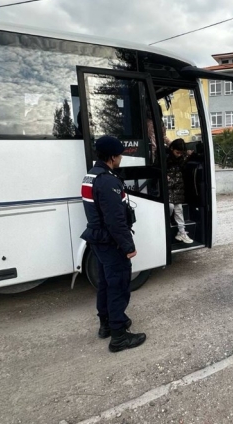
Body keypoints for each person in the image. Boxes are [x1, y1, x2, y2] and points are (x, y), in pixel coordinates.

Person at [80, 135, 146, 353]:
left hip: (98, 240)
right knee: (118, 286)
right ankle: (118, 337)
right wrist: (128, 246)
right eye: (119, 155)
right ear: (111, 157)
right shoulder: (108, 181)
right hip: (111, 242)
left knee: (106, 285)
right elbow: (115, 220)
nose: (121, 158)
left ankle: (106, 324)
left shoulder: (91, 175)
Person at [166, 138, 193, 244]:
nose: (179, 155)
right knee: (170, 207)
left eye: (181, 153)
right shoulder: (164, 157)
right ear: (172, 149)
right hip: (168, 188)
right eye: (177, 152)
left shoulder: (182, 158)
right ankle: (165, 224)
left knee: (179, 209)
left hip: (177, 188)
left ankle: (182, 232)